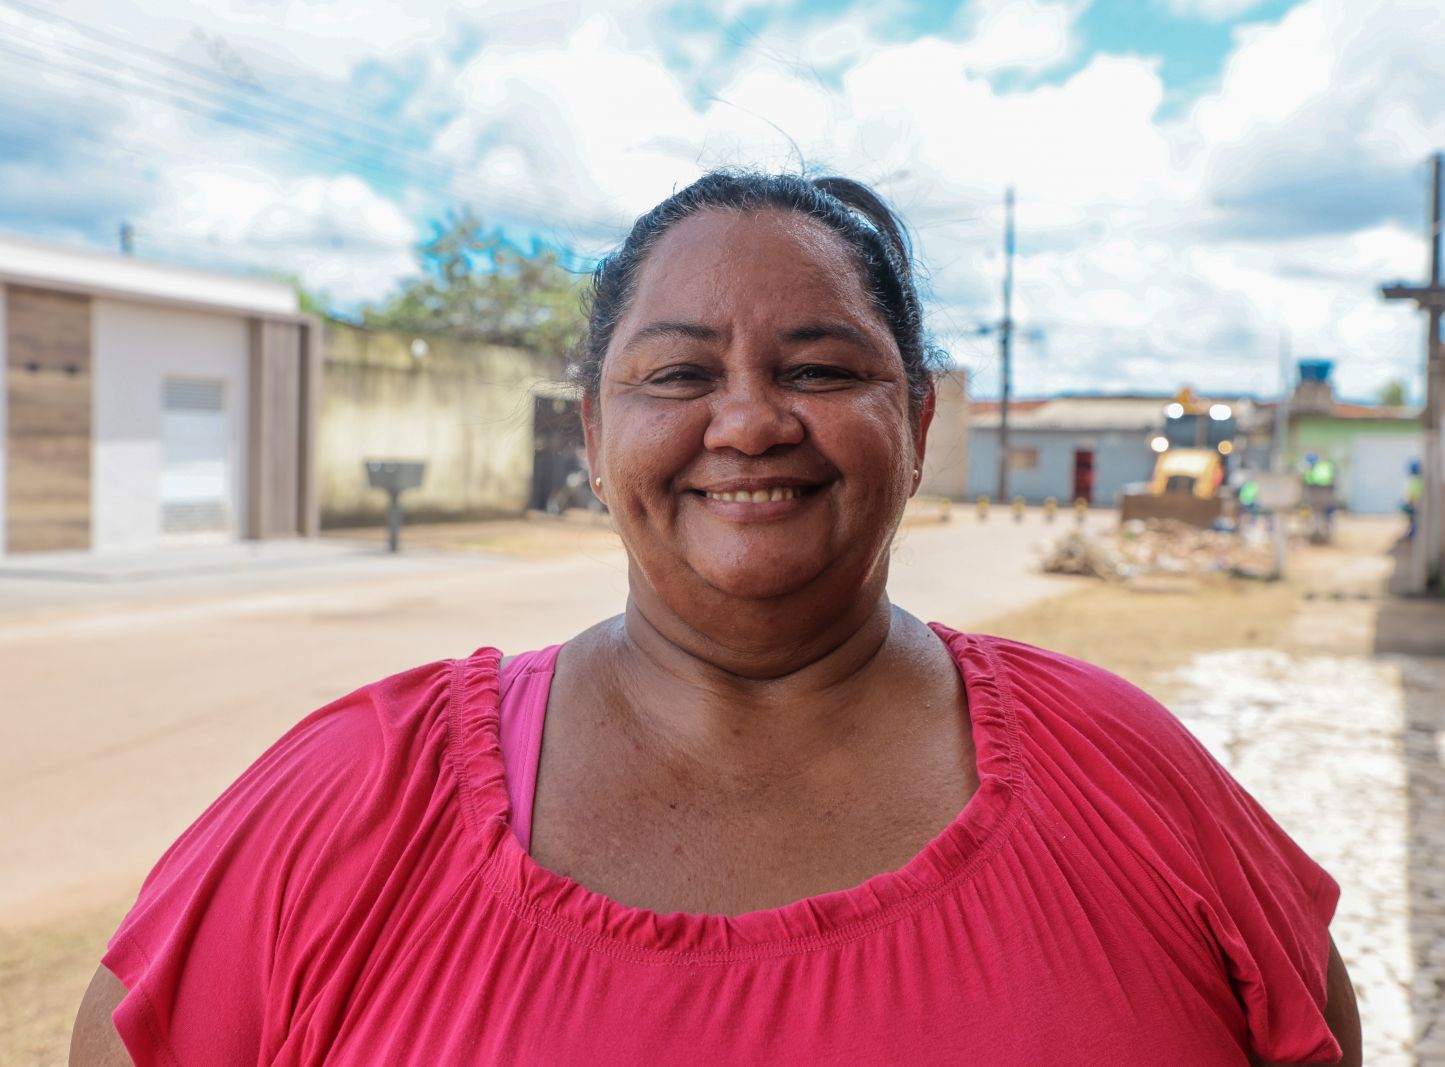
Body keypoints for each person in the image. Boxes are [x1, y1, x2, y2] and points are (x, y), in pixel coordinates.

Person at [71, 172, 1361, 1066]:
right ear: (594, 433)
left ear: (914, 425)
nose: (747, 421)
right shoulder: (357, 801)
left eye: (819, 368)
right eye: (680, 373)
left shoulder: (1129, 777)